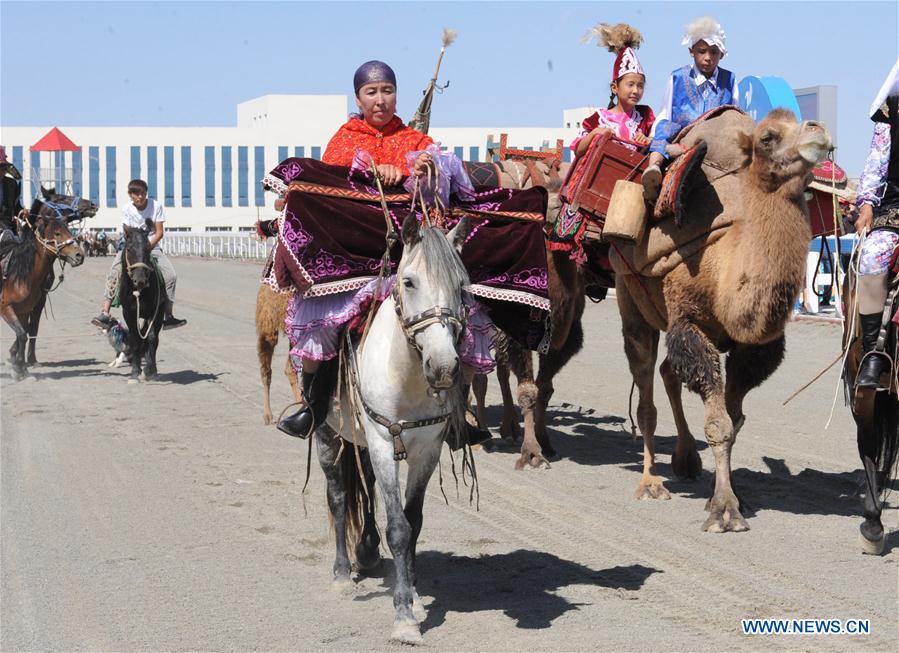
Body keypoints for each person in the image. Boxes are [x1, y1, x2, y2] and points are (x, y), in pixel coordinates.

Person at [276, 60, 493, 445]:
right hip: (355, 254)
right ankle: (314, 407)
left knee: (463, 310)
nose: (380, 100)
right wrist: (376, 168)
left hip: (412, 254)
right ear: (358, 98)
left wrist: (426, 168)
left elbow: (445, 180)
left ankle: (457, 414)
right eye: (371, 93)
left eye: (387, 91)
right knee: (322, 319)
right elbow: (331, 188)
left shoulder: (414, 138)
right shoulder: (343, 140)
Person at [642, 16, 736, 202]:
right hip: (680, 135)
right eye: (702, 51)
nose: (708, 57)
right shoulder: (676, 77)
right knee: (664, 125)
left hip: (715, 139)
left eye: (713, 52)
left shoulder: (730, 80)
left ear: (722, 55)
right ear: (691, 52)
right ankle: (654, 168)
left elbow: (735, 115)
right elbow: (665, 111)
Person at [852, 59, 899, 387]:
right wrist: (867, 203)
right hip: (895, 211)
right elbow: (875, 166)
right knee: (871, 257)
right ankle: (872, 354)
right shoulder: (890, 115)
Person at [91, 179, 186, 330]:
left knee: (171, 276)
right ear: (130, 195)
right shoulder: (126, 209)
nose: (140, 197)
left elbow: (159, 232)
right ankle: (105, 312)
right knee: (114, 272)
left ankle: (168, 315)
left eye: (143, 193)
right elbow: (127, 233)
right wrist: (137, 248)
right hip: (133, 248)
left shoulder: (156, 206)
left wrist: (147, 247)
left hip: (151, 247)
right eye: (136, 194)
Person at [0, 145, 25, 263]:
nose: (3, 170)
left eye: (4, 167)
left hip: (8, 230)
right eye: (1, 167)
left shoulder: (11, 184)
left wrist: (24, 213)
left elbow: (16, 208)